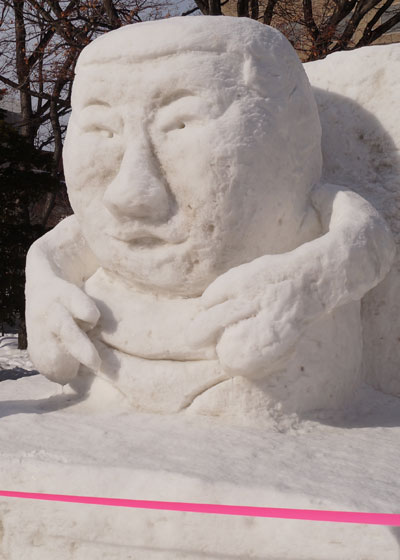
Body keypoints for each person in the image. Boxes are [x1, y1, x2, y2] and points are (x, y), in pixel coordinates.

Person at [26, 17, 395, 417]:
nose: (129, 194)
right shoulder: (85, 259)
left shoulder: (327, 222)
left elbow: (364, 238)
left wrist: (308, 285)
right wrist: (44, 283)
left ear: (294, 138)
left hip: (268, 368)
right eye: (101, 130)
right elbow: (66, 240)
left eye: (182, 125)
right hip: (106, 349)